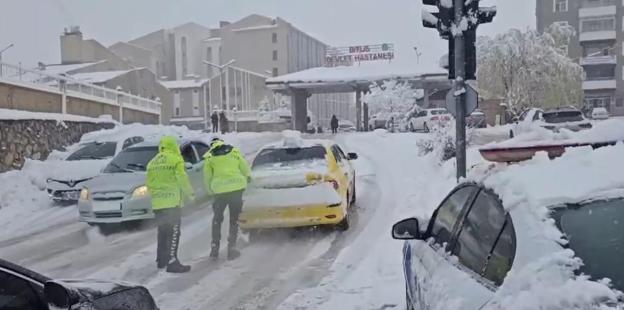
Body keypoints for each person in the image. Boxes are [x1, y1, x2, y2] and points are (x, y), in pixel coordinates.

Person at [146, 136, 195, 273]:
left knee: (162, 231)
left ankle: (161, 260)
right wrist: (190, 194)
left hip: (157, 203)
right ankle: (172, 262)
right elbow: (182, 179)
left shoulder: (152, 163)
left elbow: (149, 184)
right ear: (173, 146)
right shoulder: (176, 160)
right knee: (173, 232)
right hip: (171, 202)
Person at [203, 138, 251, 260]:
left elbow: (207, 177)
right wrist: (247, 180)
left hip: (219, 191)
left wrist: (211, 192)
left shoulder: (210, 156)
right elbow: (245, 169)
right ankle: (232, 249)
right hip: (236, 188)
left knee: (217, 219)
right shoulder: (234, 152)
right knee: (234, 219)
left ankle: (215, 248)